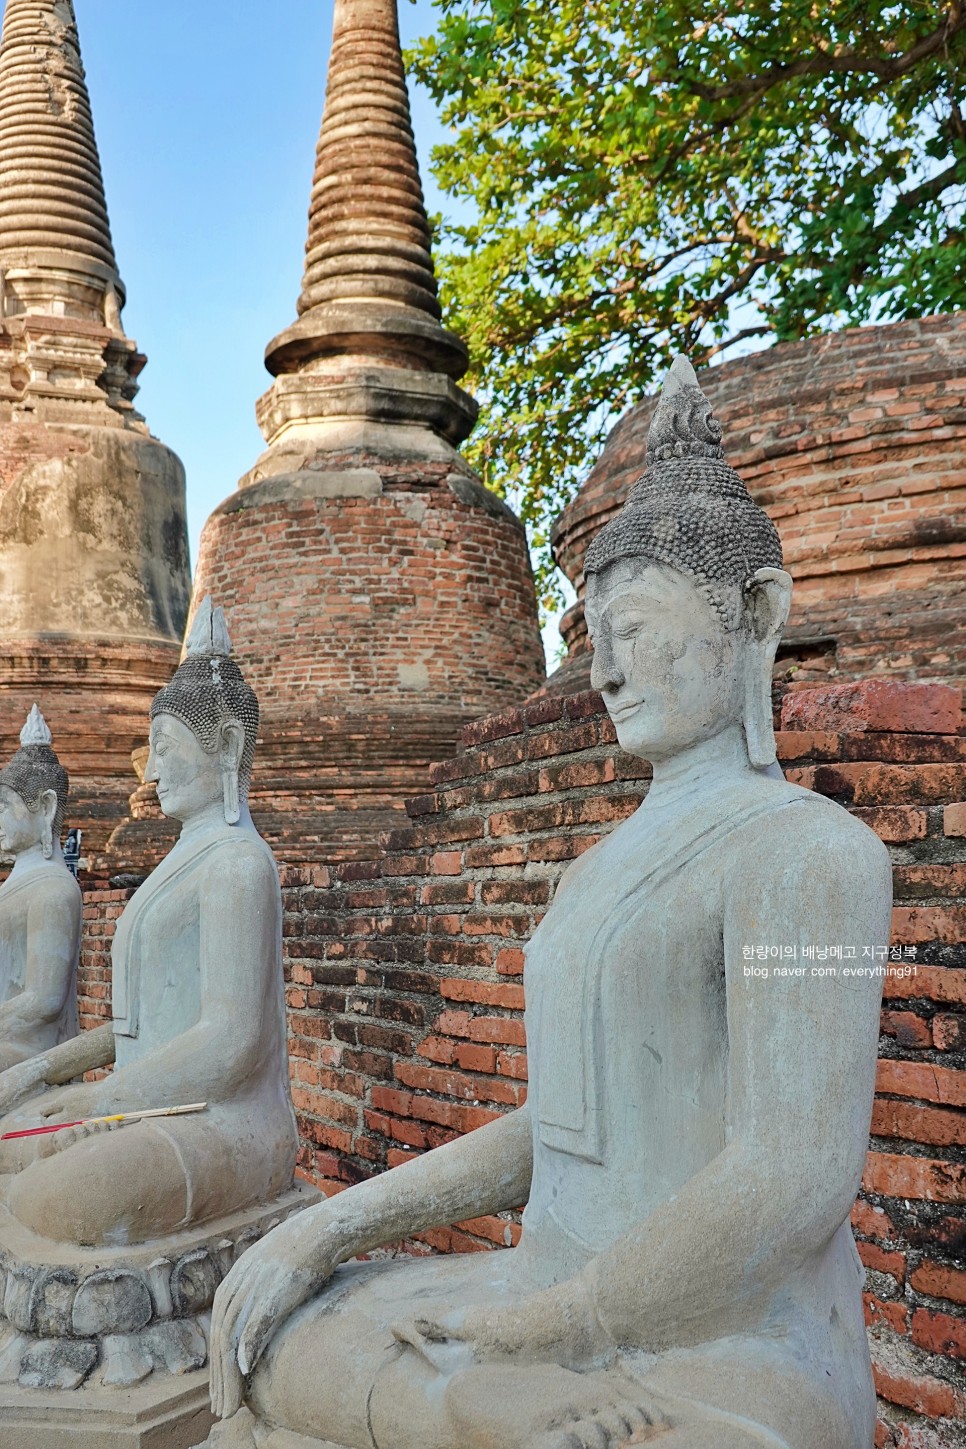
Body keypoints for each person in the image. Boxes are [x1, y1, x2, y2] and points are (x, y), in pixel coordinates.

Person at [203, 359, 891, 1449]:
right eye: (593, 631)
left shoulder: (813, 855)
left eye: (643, 626)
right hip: (549, 1297)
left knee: (519, 1418)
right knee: (277, 1336)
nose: (606, 669)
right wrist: (327, 1228)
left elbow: (794, 1176)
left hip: (727, 1340)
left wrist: (561, 1327)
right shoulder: (595, 870)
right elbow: (560, 1131)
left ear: (755, 612)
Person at [0, 600, 298, 1248]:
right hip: (154, 1100)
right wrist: (43, 1073)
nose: (151, 769)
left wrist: (100, 1101)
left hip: (228, 1122)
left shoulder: (238, 865)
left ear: (228, 746)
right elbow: (139, 1026)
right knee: (9, 1155)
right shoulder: (181, 861)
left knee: (50, 1200)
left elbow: (231, 1040)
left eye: (163, 748)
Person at [0, 706, 81, 1073]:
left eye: (5, 808)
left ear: (45, 807)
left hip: (34, 1052)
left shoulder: (53, 890)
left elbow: (44, 999)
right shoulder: (18, 885)